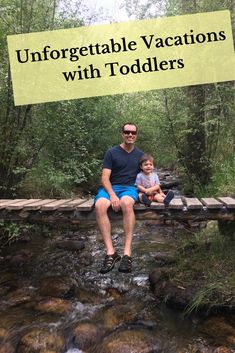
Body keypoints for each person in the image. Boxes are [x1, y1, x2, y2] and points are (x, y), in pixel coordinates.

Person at [95, 122, 144, 274]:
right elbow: (104, 178)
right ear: (122, 134)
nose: (130, 135)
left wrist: (153, 191)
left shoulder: (140, 155)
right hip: (110, 187)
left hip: (129, 189)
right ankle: (111, 253)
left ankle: (127, 254)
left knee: (127, 203)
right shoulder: (112, 153)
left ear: (136, 135)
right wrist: (111, 195)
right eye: (127, 132)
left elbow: (146, 176)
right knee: (100, 205)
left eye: (133, 133)